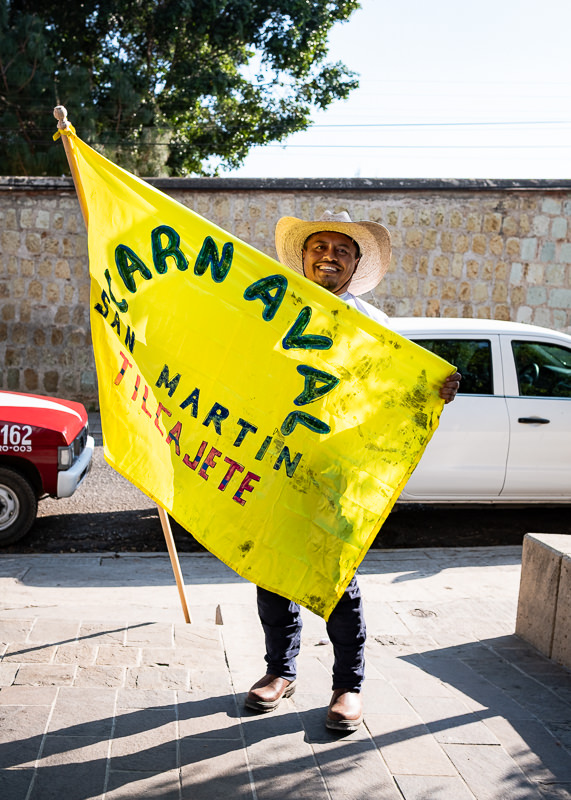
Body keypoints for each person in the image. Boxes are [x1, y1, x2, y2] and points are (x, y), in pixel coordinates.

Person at [245, 210, 461, 732]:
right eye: (319, 246)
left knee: (338, 576)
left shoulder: (375, 326)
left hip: (340, 472)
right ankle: (280, 671)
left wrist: (435, 388)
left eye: (341, 250)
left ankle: (348, 687)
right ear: (303, 256)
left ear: (356, 263)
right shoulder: (274, 310)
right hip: (278, 463)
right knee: (271, 570)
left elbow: (401, 384)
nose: (329, 255)